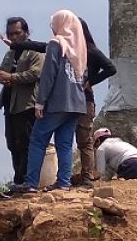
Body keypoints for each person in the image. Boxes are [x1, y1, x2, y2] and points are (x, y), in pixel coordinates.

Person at [18, 10, 88, 192]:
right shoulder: (80, 47)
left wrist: (40, 102)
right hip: (77, 103)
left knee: (37, 140)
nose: (52, 28)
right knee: (64, 143)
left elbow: (48, 75)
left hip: (58, 102)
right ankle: (64, 182)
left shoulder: (56, 44)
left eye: (53, 25)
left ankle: (31, 183)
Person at [0, 16, 46, 190]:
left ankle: (26, 181)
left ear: (26, 32)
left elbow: (36, 73)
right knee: (12, 143)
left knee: (26, 143)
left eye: (17, 33)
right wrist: (2, 76)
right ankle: (19, 180)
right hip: (10, 103)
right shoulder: (10, 52)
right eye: (11, 34)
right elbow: (3, 69)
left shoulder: (35, 51)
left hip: (27, 104)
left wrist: (12, 77)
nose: (14, 37)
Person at [73, 19, 117, 184]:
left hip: (85, 100)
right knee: (65, 139)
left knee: (84, 140)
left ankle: (87, 177)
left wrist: (90, 82)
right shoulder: (67, 50)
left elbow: (111, 68)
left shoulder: (90, 51)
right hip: (67, 101)